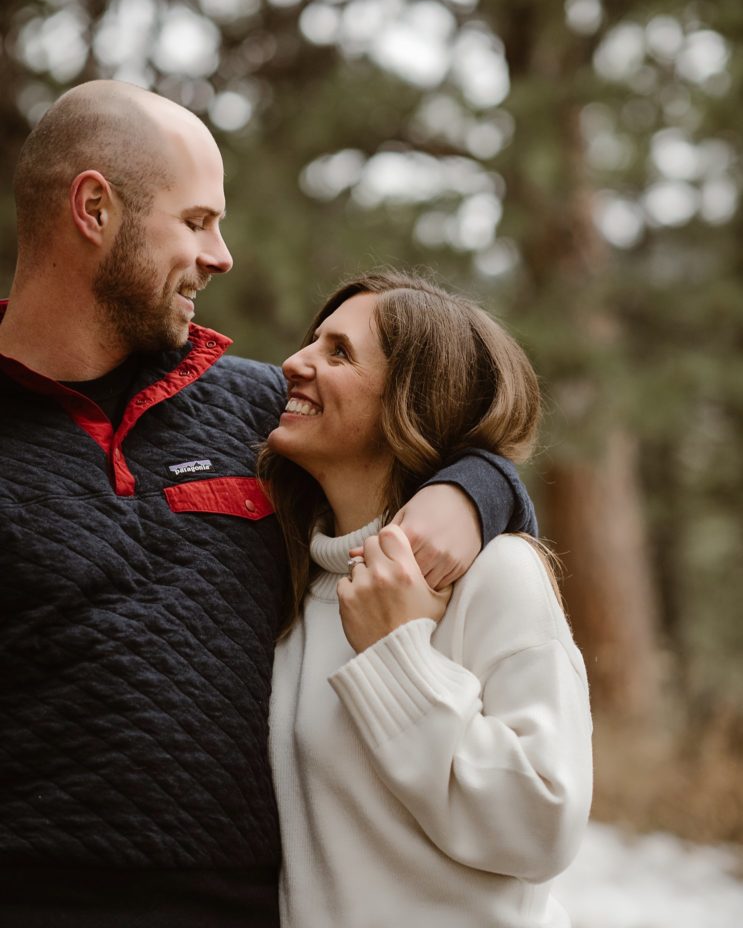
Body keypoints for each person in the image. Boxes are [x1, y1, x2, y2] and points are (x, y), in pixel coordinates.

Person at [0, 81, 536, 928]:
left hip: (257, 907)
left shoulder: (259, 412)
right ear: (94, 208)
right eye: (197, 221)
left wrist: (470, 493)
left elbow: (445, 438)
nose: (222, 256)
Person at [264, 272, 593, 928]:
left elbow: (542, 825)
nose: (293, 364)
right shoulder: (296, 579)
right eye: (311, 342)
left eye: (338, 353)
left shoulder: (495, 572)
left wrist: (398, 655)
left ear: (412, 404)